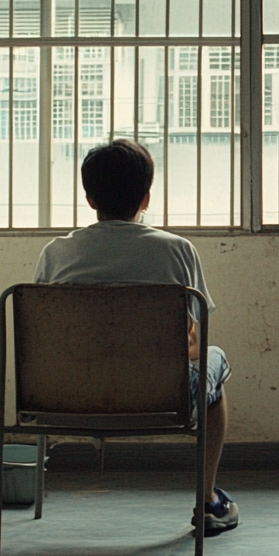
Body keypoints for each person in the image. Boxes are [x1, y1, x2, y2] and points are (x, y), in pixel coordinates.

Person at [33, 138, 238, 535]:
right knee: (217, 357)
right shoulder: (176, 251)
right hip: (157, 398)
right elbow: (192, 345)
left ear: (90, 198)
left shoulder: (56, 253)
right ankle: (208, 498)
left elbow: (45, 340)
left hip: (65, 395)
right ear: (145, 198)